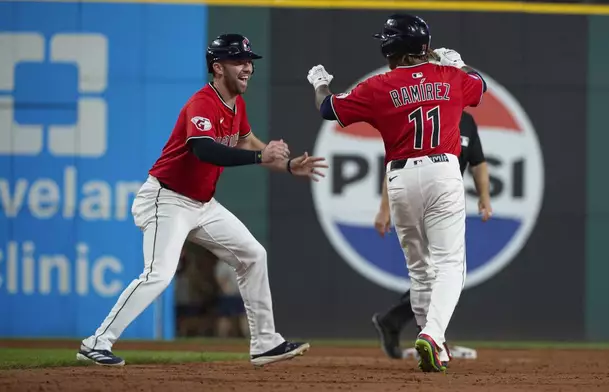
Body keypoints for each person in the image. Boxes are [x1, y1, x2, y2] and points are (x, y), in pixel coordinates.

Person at [77, 33, 328, 368]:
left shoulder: (236, 104)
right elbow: (204, 150)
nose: (248, 68)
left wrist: (285, 164)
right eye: (239, 60)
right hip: (165, 199)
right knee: (160, 274)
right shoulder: (202, 103)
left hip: (202, 205)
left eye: (249, 61)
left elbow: (246, 140)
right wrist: (261, 158)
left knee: (253, 255)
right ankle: (96, 343)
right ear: (217, 66)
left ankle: (266, 343)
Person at [307, 14, 487, 372]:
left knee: (420, 270)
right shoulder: (450, 77)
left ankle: (432, 340)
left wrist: (320, 84)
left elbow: (328, 109)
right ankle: (433, 336)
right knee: (450, 264)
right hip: (443, 171)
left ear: (393, 49)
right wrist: (458, 62)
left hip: (401, 179)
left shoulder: (379, 86)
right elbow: (479, 85)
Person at [371, 109, 492, 364]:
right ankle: (429, 335)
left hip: (446, 200)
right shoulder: (425, 108)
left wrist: (484, 196)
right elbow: (398, 162)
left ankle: (412, 328)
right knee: (437, 270)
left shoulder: (467, 121)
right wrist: (384, 208)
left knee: (437, 271)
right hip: (417, 195)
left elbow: (478, 162)